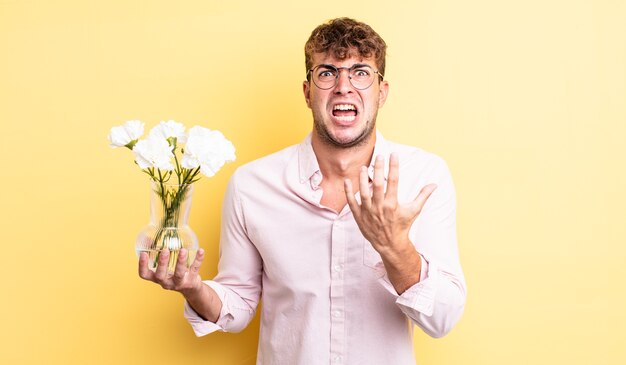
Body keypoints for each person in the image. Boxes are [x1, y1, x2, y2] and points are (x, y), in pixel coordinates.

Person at [139, 17, 466, 365]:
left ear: (381, 93)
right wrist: (194, 289)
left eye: (360, 72)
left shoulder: (424, 177)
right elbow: (238, 303)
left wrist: (394, 245)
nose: (344, 86)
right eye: (327, 72)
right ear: (308, 92)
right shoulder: (252, 185)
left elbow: (442, 318)